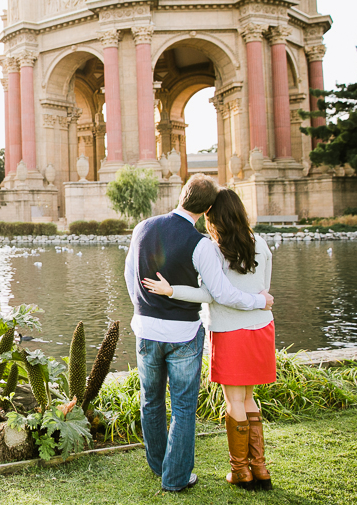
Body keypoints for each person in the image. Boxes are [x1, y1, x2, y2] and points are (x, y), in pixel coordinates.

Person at [124, 174, 273, 493]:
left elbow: (129, 276)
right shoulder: (201, 244)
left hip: (146, 329)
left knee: (150, 400)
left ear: (182, 195)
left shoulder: (142, 228)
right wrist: (259, 301)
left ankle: (158, 464)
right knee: (182, 407)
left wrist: (142, 307)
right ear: (207, 208)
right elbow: (221, 293)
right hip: (183, 335)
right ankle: (175, 477)